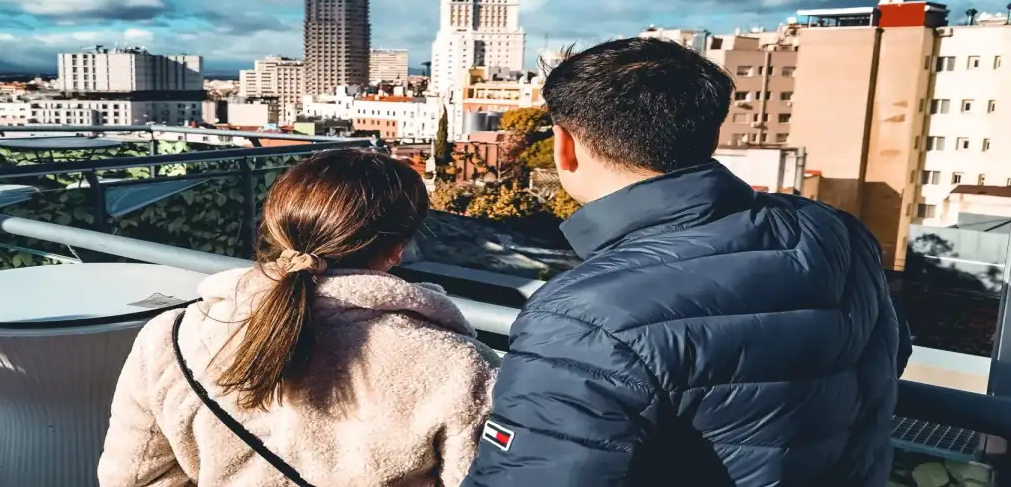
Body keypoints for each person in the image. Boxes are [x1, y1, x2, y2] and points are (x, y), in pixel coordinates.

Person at [463, 38, 912, 487]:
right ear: (710, 133)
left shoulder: (582, 317)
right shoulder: (832, 230)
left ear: (565, 145)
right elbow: (888, 353)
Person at [99, 149, 499, 487]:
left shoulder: (171, 337)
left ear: (277, 228)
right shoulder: (457, 366)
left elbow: (134, 476)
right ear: (397, 249)